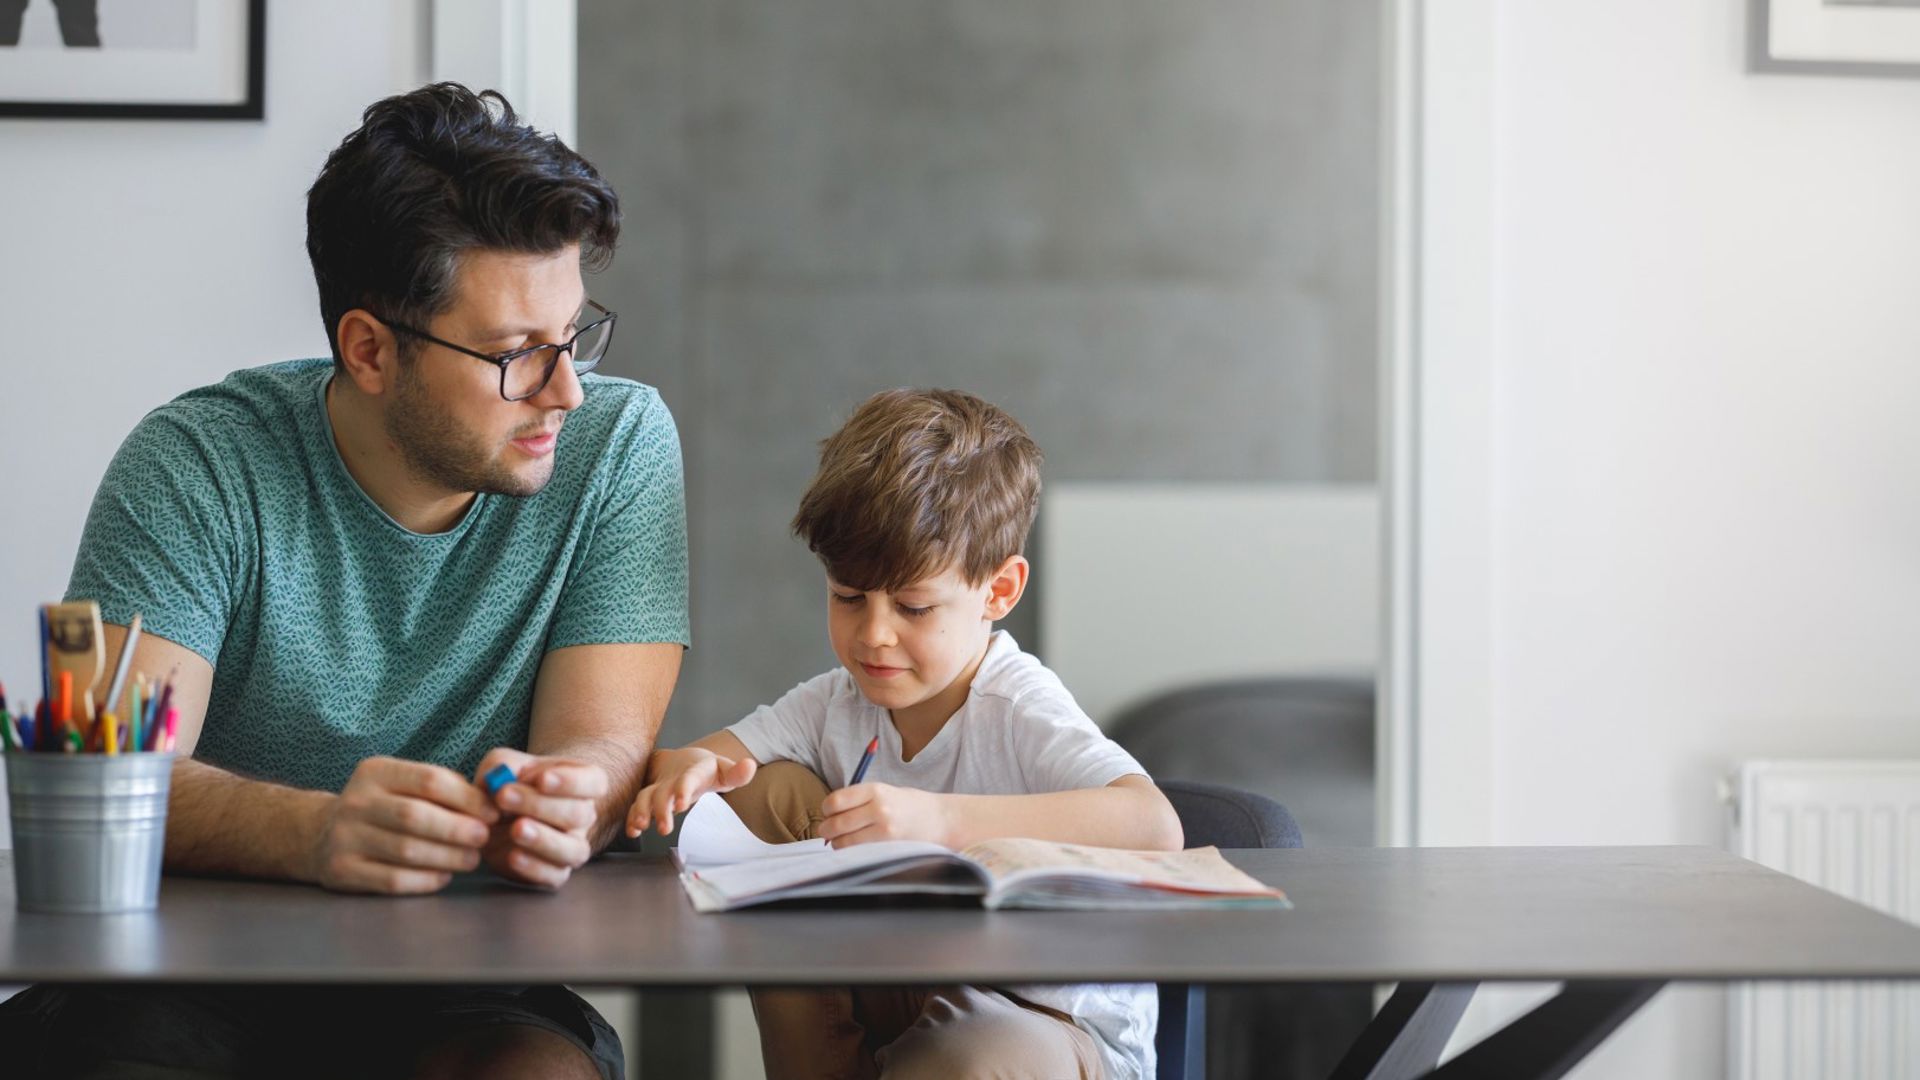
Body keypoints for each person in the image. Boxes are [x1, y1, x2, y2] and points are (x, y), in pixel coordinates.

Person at [0, 83, 686, 1079]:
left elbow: (605, 742)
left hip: (479, 979)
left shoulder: (617, 446)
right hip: (195, 973)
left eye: (573, 336)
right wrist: (316, 831)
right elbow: (119, 784)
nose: (564, 391)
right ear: (369, 349)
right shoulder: (198, 462)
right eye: (514, 356)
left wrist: (576, 797)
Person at [628, 388, 1182, 1080]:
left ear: (999, 592)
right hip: (910, 979)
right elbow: (718, 760)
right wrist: (686, 769)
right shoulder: (838, 699)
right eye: (847, 598)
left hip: (1045, 1020)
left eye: (914, 606)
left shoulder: (1019, 707)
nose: (874, 635)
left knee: (962, 1061)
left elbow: (1155, 826)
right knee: (763, 794)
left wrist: (940, 819)